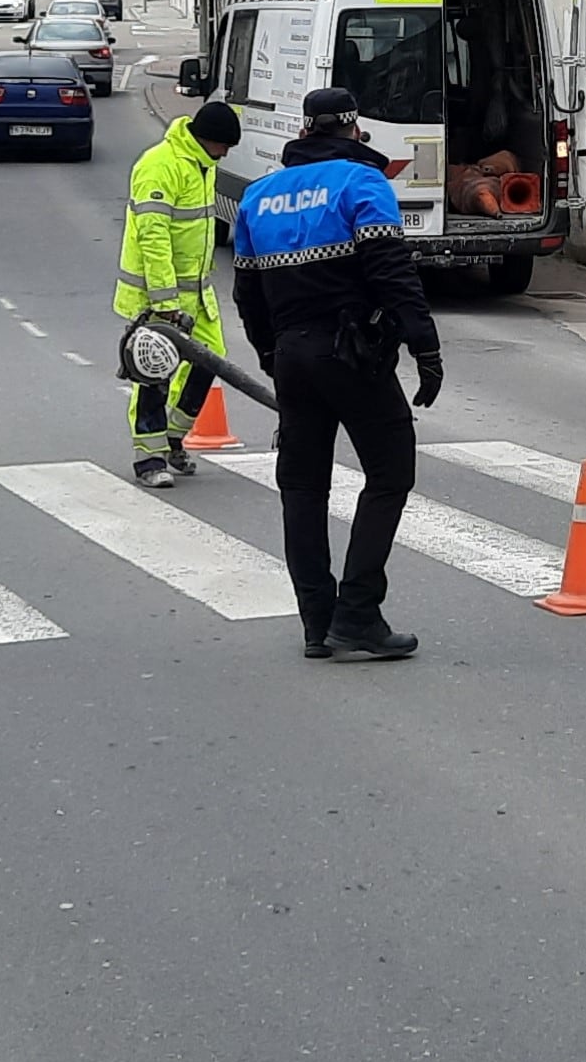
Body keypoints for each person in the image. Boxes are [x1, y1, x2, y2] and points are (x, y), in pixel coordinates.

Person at [230, 85, 442, 660]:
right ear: (353, 131)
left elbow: (246, 292)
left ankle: (316, 623)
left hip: (293, 356)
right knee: (390, 472)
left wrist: (272, 355)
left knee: (301, 487)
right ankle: (358, 613)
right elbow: (393, 271)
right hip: (353, 354)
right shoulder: (361, 182)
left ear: (304, 131)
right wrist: (425, 347)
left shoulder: (258, 197)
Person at [114, 99, 242, 488]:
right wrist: (165, 304)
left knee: (211, 362)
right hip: (159, 299)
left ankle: (173, 439)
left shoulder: (202, 164)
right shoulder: (161, 164)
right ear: (209, 140)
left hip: (196, 297)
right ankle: (148, 459)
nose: (227, 154)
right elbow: (153, 238)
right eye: (225, 146)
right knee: (154, 375)